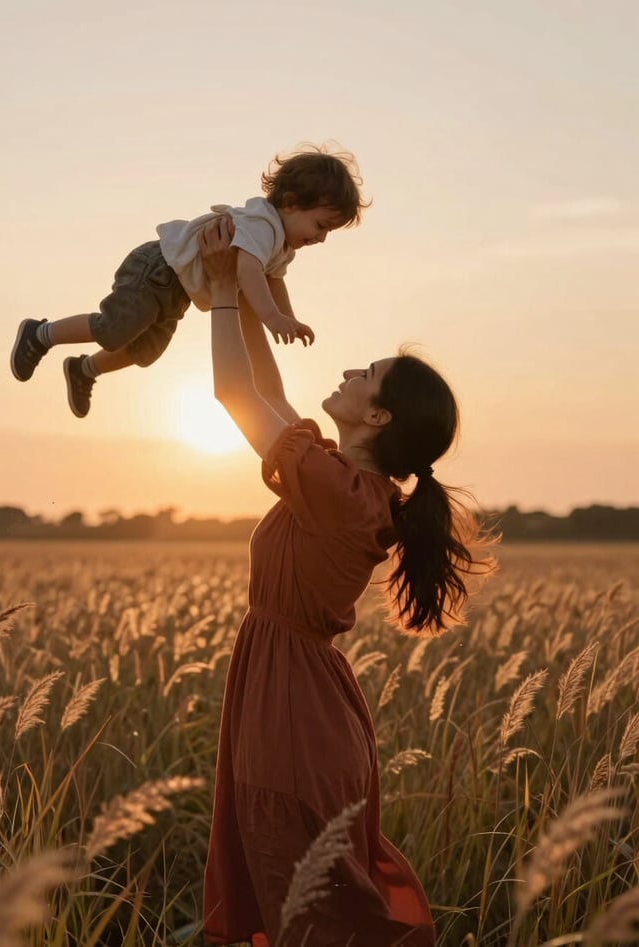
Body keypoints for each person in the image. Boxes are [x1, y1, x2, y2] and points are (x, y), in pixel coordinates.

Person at [196, 216, 494, 946]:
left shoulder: (338, 491)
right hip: (300, 704)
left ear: (378, 415)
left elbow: (234, 393)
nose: (349, 372)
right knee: (299, 904)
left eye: (366, 376)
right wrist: (240, 279)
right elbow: (266, 390)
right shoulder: (351, 487)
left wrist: (224, 298)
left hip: (293, 718)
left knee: (305, 912)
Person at [9, 145, 368, 418]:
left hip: (178, 289)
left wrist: (287, 316)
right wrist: (273, 319)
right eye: (321, 225)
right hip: (158, 268)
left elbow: (273, 281)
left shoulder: (280, 244)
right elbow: (247, 272)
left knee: (145, 352)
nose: (321, 238)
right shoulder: (263, 224)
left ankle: (83, 369)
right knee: (114, 329)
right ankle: (40, 333)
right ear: (291, 202)